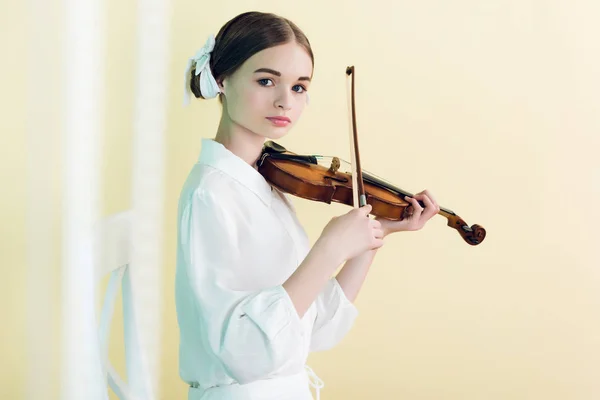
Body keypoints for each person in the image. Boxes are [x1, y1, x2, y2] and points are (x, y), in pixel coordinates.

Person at [175, 11, 440, 400]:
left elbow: (314, 328)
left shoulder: (265, 181)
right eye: (266, 81)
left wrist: (375, 234)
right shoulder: (211, 194)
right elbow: (243, 354)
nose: (285, 101)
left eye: (299, 87)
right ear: (221, 79)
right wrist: (329, 248)